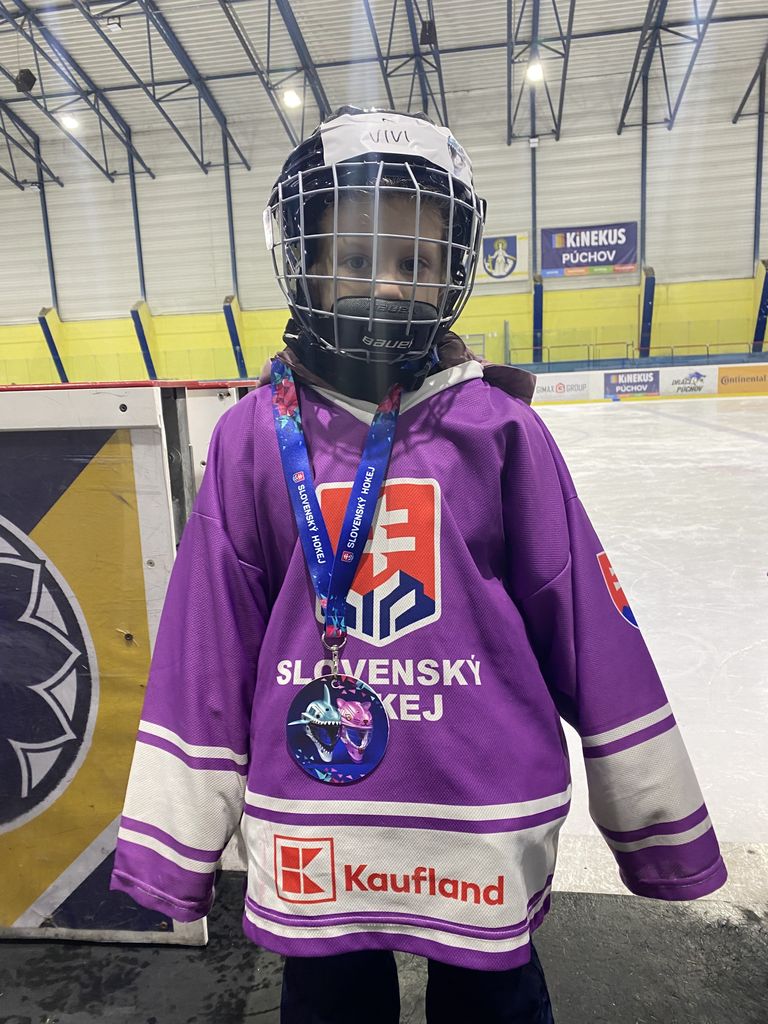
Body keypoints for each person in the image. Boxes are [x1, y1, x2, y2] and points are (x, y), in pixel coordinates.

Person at [110, 108, 727, 1023]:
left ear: (453, 271)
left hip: (481, 816)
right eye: (358, 257)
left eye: (416, 261)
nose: (389, 284)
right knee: (330, 1004)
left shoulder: (500, 430)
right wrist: (174, 845)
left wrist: (656, 823)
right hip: (318, 821)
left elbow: (585, 621)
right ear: (305, 260)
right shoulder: (251, 438)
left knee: (493, 1003)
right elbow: (208, 644)